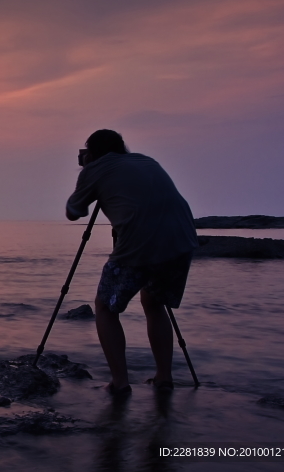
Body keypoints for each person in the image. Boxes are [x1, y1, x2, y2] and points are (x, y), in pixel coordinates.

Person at [66, 129, 198, 396]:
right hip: (182, 240)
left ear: (90, 152)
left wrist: (88, 173)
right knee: (154, 302)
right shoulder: (146, 161)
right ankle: (164, 377)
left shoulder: (95, 169)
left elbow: (73, 212)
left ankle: (120, 382)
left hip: (138, 244)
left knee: (105, 307)